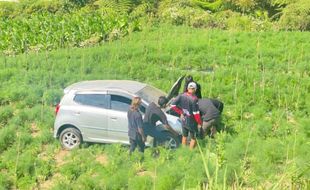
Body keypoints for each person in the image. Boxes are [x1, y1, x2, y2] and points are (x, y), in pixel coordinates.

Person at [171, 82, 202, 149]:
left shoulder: (181, 95)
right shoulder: (194, 99)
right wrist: (199, 123)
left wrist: (181, 112)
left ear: (188, 88)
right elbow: (196, 113)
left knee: (184, 136)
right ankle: (190, 153)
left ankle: (183, 150)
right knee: (193, 138)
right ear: (195, 89)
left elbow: (172, 105)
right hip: (192, 122)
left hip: (183, 119)